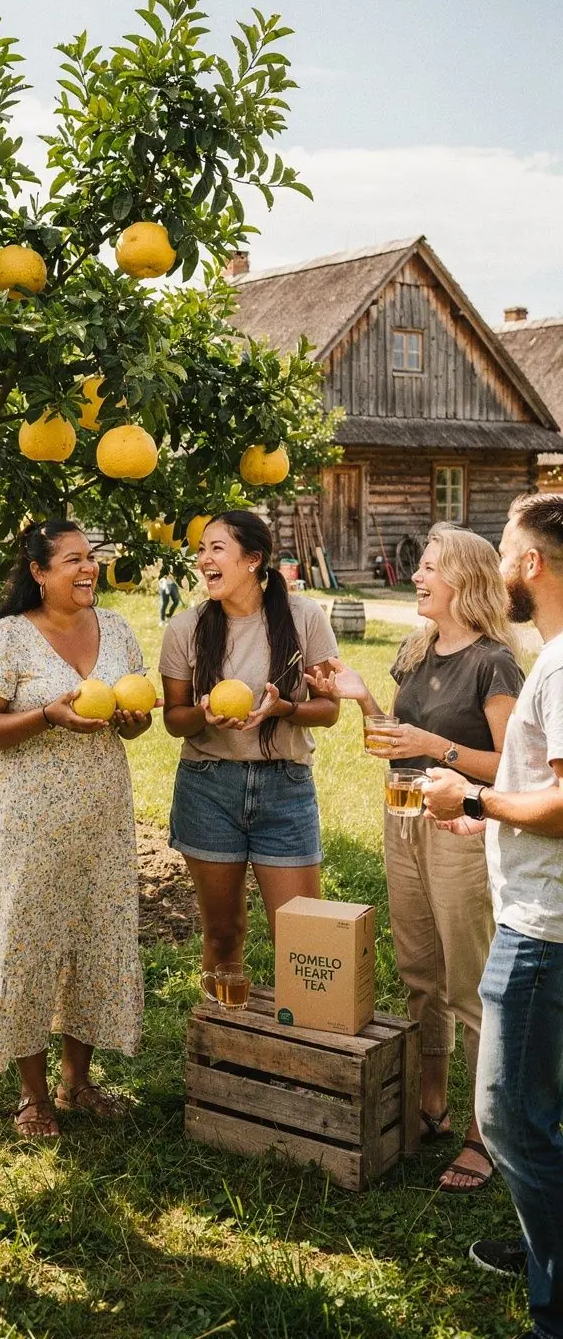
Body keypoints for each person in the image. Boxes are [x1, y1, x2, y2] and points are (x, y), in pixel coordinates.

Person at [308, 524, 524, 1193]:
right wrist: (362, 698)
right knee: (419, 970)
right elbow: (396, 741)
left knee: (469, 980)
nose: (418, 575)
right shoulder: (416, 650)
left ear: (465, 580)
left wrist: (435, 742)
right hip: (402, 819)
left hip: (460, 829)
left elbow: (508, 769)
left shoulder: (494, 662)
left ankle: (485, 1133)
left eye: (431, 566)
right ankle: (431, 1101)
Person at [0, 520, 153, 1139]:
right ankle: (33, 1096)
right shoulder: (6, 638)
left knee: (93, 934)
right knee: (28, 940)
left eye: (91, 558)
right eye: (70, 560)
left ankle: (77, 1080)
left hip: (101, 814)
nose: (87, 569)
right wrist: (46, 715)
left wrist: (134, 718)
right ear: (38, 572)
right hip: (27, 817)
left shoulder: (114, 628)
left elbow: (133, 726)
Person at [425, 493, 563, 1339]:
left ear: (534, 566)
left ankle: (554, 1303)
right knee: (543, 1102)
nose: (501, 566)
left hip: (543, 927)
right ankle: (544, 1241)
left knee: (510, 1113)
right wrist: (487, 810)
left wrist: (474, 793)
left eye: (509, 552)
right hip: (539, 909)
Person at [159, 511, 340, 978]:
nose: (203, 560)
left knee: (304, 940)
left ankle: (305, 1042)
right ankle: (222, 1044)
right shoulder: (185, 628)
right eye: (201, 549)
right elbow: (175, 721)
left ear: (253, 560)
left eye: (216, 548)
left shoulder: (305, 617)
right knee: (223, 934)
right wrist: (203, 713)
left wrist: (286, 710)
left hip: (285, 786)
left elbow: (331, 709)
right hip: (208, 787)